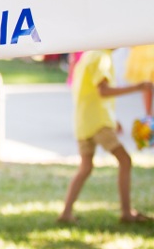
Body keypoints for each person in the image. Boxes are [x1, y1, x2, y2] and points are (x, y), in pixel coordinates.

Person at [58, 49, 153, 224]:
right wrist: (138, 87)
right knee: (125, 160)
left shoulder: (89, 55)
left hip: (84, 121)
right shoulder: (101, 57)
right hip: (98, 123)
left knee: (85, 167)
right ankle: (126, 212)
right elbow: (103, 91)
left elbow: (90, 93)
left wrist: (112, 119)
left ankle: (66, 213)